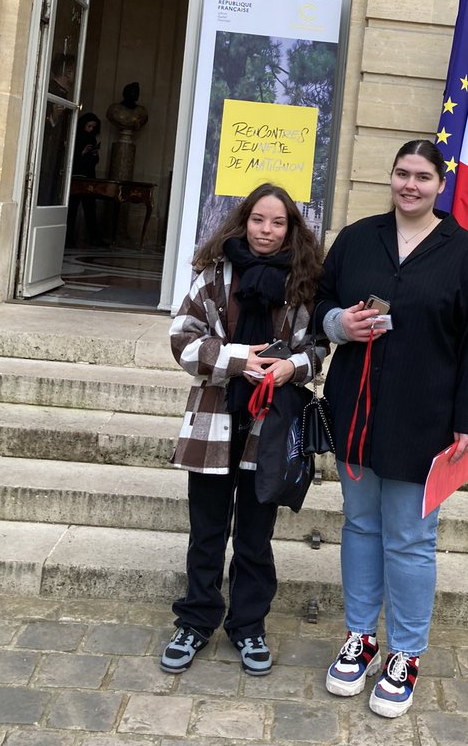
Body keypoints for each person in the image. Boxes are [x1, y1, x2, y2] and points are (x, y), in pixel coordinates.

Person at [315, 139, 468, 718]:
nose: (410, 185)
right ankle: (361, 637)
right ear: (389, 178)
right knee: (360, 525)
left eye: (422, 176)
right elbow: (318, 303)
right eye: (401, 174)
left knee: (411, 540)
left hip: (426, 418)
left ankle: (407, 652)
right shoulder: (356, 239)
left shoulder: (466, 255)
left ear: (441, 185)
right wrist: (340, 323)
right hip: (356, 410)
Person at [161, 184, 325, 677]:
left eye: (277, 223)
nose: (267, 231)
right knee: (207, 532)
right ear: (244, 220)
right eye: (259, 220)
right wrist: (237, 359)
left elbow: (317, 350)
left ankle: (248, 624)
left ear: (291, 228)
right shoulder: (213, 274)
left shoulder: (303, 281)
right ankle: (195, 621)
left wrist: (286, 367)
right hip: (214, 419)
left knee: (256, 536)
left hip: (269, 426)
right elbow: (181, 340)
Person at [66, 111, 103, 247]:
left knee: (90, 208)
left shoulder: (92, 139)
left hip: (88, 177)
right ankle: (68, 238)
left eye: (93, 127)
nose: (91, 129)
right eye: (89, 126)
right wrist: (83, 153)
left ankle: (94, 238)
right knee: (72, 209)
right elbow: (70, 157)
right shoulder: (75, 137)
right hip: (76, 177)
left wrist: (93, 154)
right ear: (83, 125)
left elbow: (94, 161)